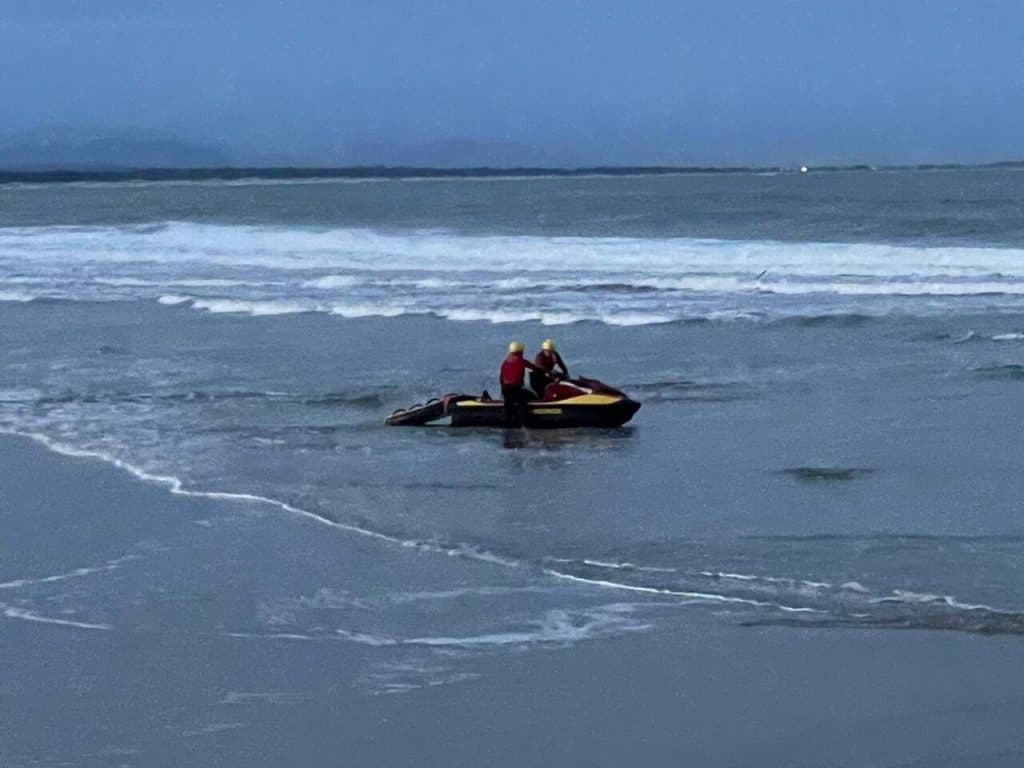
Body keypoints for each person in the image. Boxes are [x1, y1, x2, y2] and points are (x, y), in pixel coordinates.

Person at [499, 341, 540, 427]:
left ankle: (508, 422)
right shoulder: (521, 361)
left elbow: (501, 378)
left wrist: (502, 390)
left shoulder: (505, 362)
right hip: (516, 389)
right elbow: (534, 367)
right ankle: (524, 422)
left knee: (508, 406)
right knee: (530, 399)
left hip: (506, 389)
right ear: (521, 351)